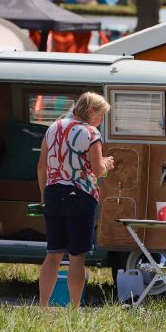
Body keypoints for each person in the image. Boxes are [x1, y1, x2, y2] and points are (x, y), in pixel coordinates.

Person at [36, 92, 115, 307]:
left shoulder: (54, 128)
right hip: (80, 196)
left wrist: (44, 194)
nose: (101, 120)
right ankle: (74, 307)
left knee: (52, 254)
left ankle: (42, 306)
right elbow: (98, 171)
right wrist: (107, 163)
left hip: (53, 194)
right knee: (77, 256)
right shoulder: (91, 133)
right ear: (90, 112)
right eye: (101, 115)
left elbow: (42, 166)